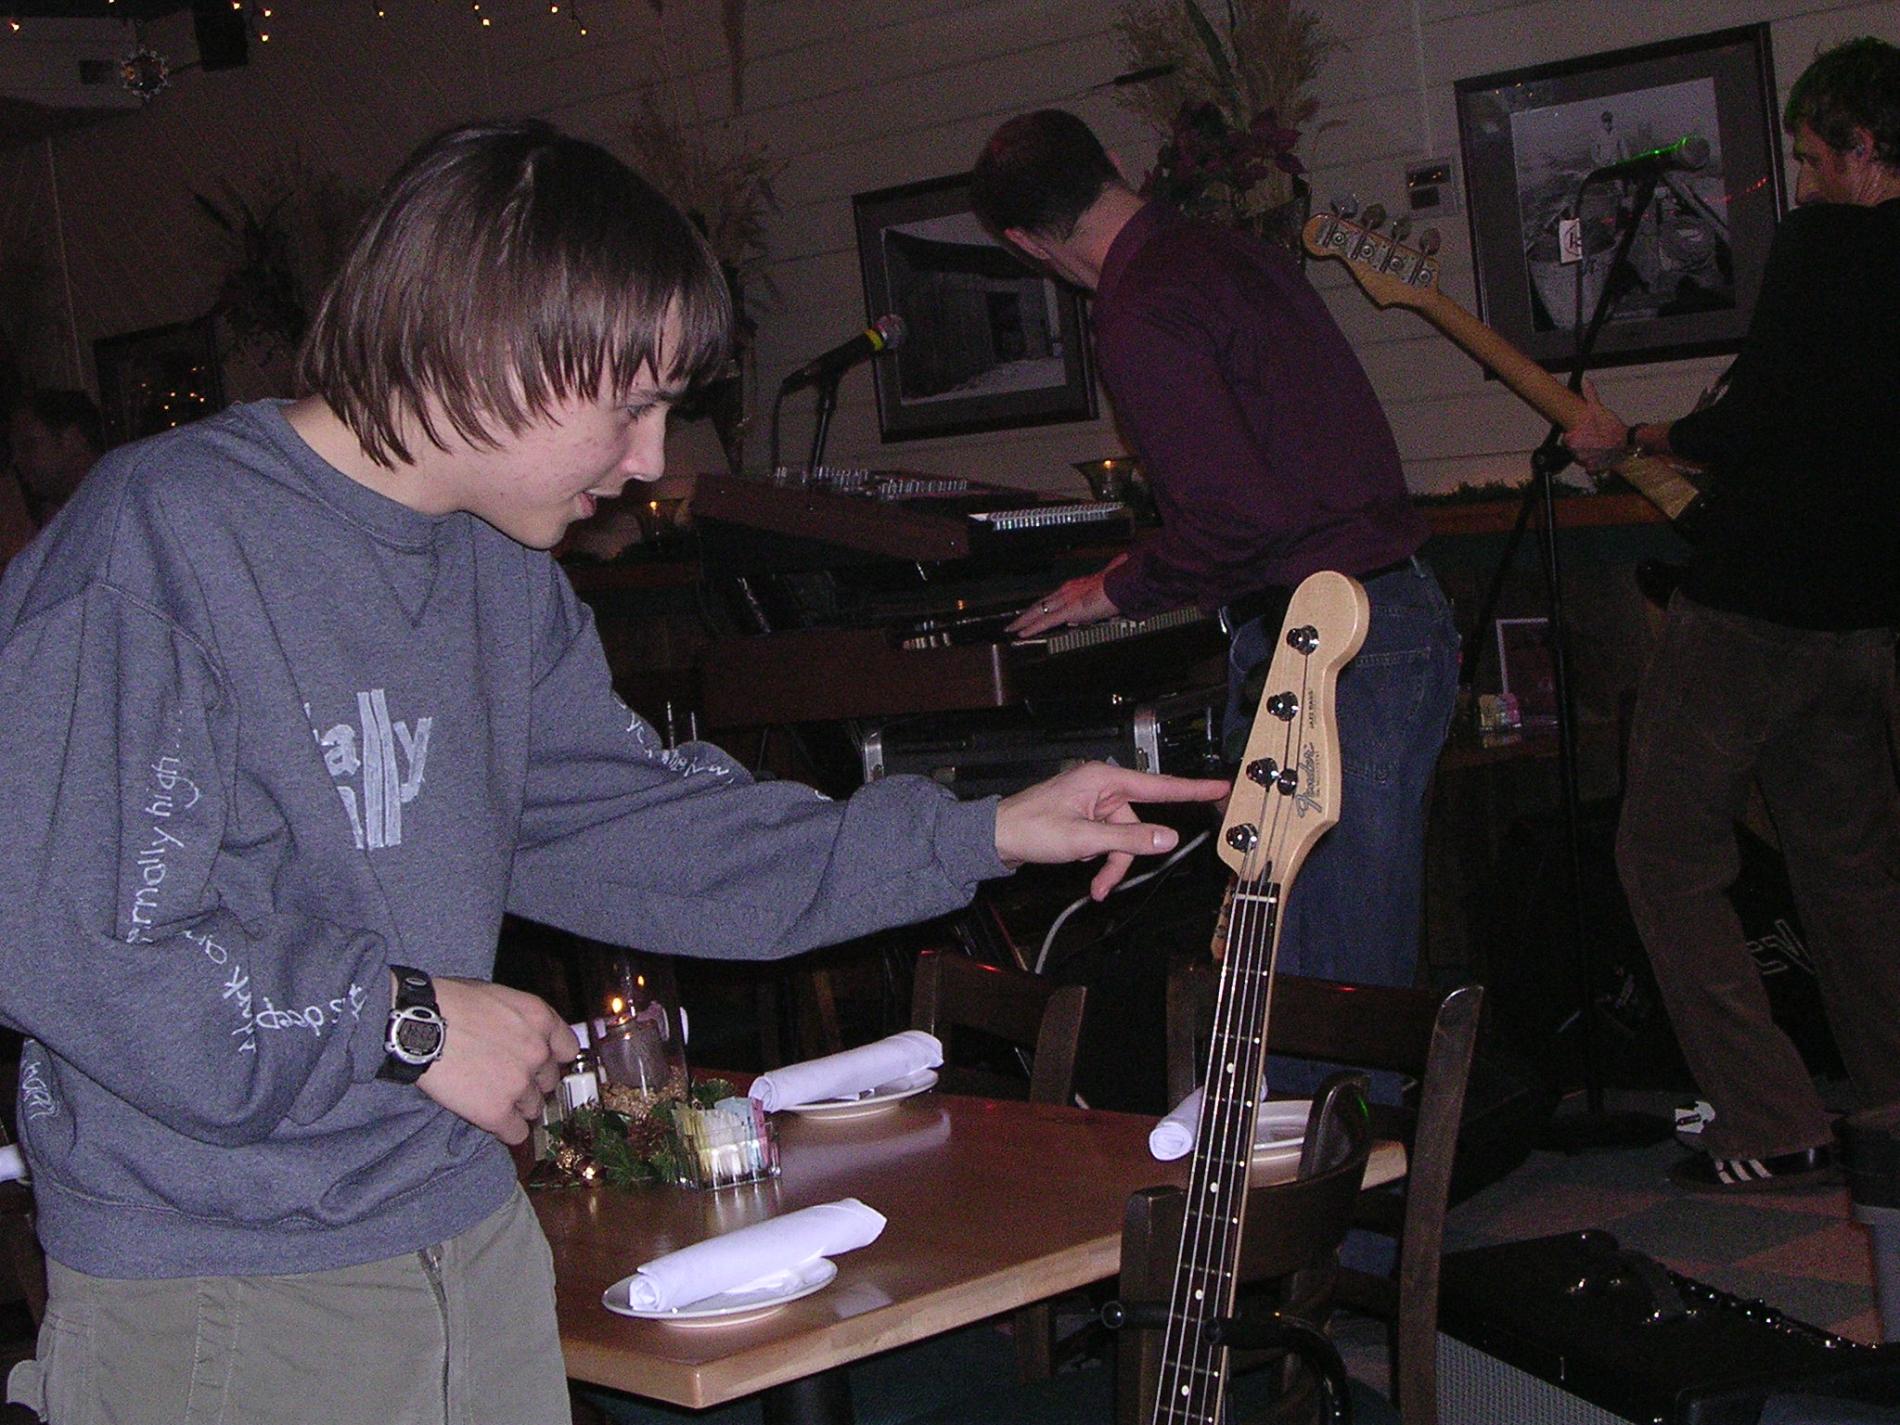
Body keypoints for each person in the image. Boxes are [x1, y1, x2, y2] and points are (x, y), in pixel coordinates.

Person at [0, 120, 1226, 1424]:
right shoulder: (163, 542)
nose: (651, 462)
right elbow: (69, 945)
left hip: (469, 1230)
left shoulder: (499, 569)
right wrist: (403, 1022)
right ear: (489, 342)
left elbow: (648, 833)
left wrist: (981, 832)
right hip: (225, 1284)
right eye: (630, 406)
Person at [969, 110, 1459, 1027]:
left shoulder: (1140, 306)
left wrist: (1110, 589)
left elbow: (1238, 519)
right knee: (1355, 970)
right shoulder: (1232, 253)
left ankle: (1317, 1128)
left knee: (1316, 984)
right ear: (1115, 162)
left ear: (1026, 243)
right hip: (1395, 613)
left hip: (1327, 650)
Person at [1564, 37, 1900, 1193]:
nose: (1802, 181)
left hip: (1751, 610)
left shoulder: (1826, 242)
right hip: (1863, 622)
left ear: (1863, 149)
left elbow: (1761, 420)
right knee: (1851, 872)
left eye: (1811, 156)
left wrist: (1633, 438)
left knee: (1662, 856)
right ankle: (1892, 1110)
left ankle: (1768, 1116)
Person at [0, 388, 101, 564]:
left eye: (28, 445)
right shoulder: (42, 518)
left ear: (72, 439)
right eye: (14, 450)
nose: (17, 460)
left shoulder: (115, 511)